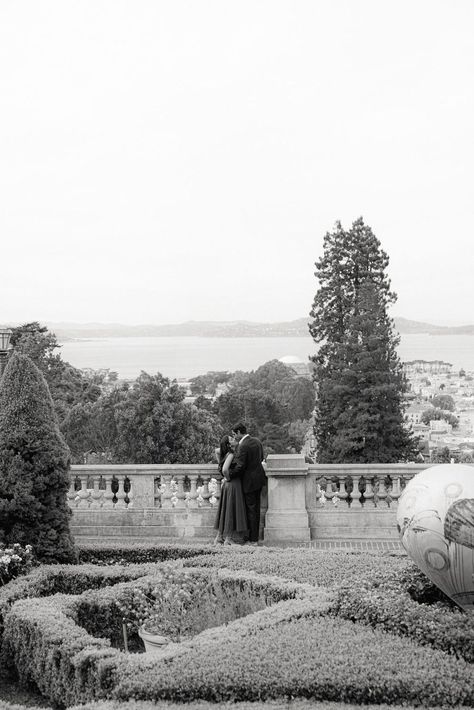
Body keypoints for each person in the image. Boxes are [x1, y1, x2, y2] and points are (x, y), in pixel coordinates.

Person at [228, 422, 266, 546]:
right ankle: (254, 538)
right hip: (259, 479)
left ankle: (252, 540)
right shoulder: (257, 441)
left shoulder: (243, 445)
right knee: (256, 510)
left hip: (249, 482)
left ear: (239, 432)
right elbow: (261, 458)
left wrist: (229, 475)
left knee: (250, 510)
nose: (234, 437)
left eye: (234, 434)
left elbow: (240, 466)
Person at [213, 434, 248, 545]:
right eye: (231, 439)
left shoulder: (224, 454)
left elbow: (217, 450)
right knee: (231, 511)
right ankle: (228, 538)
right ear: (228, 444)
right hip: (233, 483)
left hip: (227, 485)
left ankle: (219, 537)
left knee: (225, 510)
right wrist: (228, 477)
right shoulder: (231, 454)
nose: (234, 439)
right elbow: (224, 470)